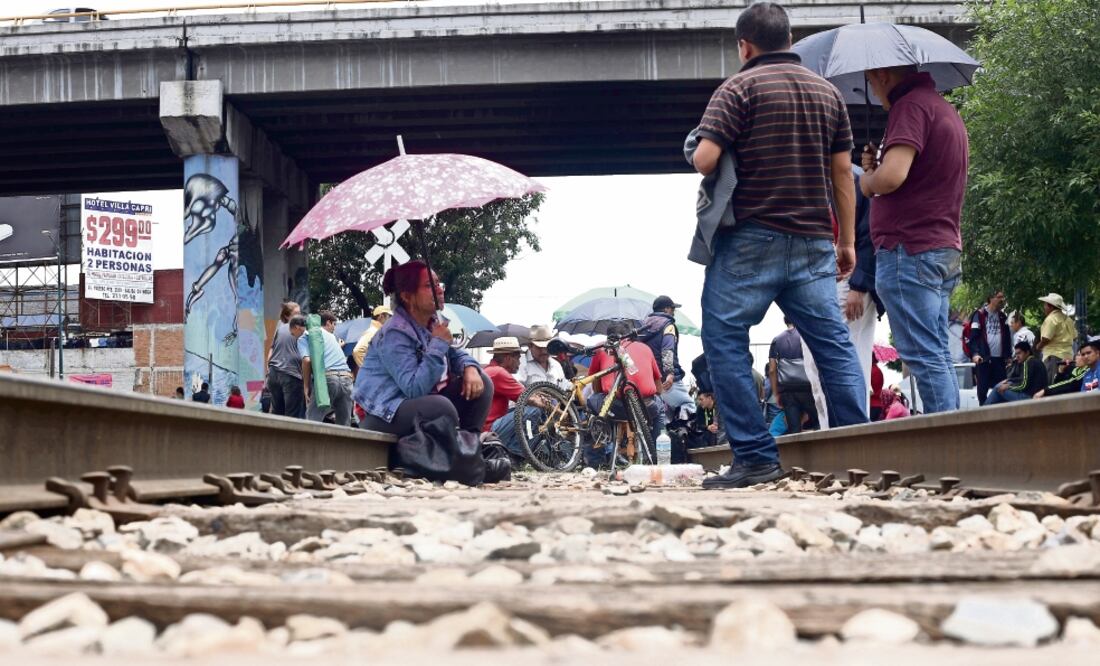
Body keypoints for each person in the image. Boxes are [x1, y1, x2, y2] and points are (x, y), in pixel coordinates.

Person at [692, 2, 866, 489]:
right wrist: (847, 241)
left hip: (751, 240)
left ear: (744, 46)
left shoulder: (738, 88)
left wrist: (706, 141)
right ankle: (860, 450)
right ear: (790, 39)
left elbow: (705, 159)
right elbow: (842, 174)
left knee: (724, 339)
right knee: (833, 345)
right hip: (814, 241)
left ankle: (754, 457)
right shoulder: (827, 93)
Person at [860, 52, 969, 415]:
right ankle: (953, 431)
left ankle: (946, 438)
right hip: (939, 246)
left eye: (871, 81)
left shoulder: (909, 107)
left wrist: (868, 181)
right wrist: (877, 168)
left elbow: (892, 176)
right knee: (935, 351)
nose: (873, 90)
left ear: (883, 74)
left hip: (909, 247)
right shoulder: (942, 109)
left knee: (922, 353)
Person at [354, 260, 492, 437]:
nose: (439, 290)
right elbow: (414, 389)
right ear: (407, 296)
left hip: (419, 402)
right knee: (441, 408)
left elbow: (455, 354)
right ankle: (457, 447)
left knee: (483, 382)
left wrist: (470, 368)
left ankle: (469, 444)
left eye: (438, 284)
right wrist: (438, 343)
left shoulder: (432, 323)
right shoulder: (394, 333)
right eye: (429, 286)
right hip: (384, 412)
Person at [803, 166, 882, 429]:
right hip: (814, 285)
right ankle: (831, 432)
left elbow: (870, 234)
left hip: (848, 281)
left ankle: (853, 432)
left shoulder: (854, 178)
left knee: (851, 360)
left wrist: (860, 284)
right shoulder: (806, 174)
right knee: (815, 367)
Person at [585, 321, 664, 466]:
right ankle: (659, 455)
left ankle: (596, 461)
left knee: (592, 403)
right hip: (646, 407)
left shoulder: (602, 349)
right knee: (660, 407)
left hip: (615, 408)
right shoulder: (645, 348)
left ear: (609, 337)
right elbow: (659, 388)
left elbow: (596, 386)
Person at [640, 295, 696, 424]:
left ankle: (668, 434)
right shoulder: (668, 326)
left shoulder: (643, 327)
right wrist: (670, 374)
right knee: (688, 405)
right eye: (672, 309)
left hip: (648, 378)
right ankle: (685, 434)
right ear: (666, 309)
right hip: (666, 379)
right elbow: (667, 351)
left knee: (665, 414)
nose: (674, 312)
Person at [298, 311, 354, 426]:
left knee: (312, 421)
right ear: (327, 323)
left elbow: (307, 360)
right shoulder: (332, 337)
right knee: (344, 425)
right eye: (334, 324)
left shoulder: (305, 336)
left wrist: (306, 386)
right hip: (347, 379)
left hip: (328, 379)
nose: (335, 328)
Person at [482, 337, 532, 460]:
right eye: (518, 358)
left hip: (484, 428)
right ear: (508, 358)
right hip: (489, 429)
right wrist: (555, 409)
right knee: (534, 410)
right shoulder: (499, 373)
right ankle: (515, 455)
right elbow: (529, 397)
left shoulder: (489, 370)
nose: (519, 363)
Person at [769, 319, 817, 434]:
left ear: (785, 321)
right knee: (818, 424)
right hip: (808, 388)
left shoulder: (776, 340)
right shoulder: (806, 336)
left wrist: (776, 393)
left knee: (794, 430)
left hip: (787, 391)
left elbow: (772, 369)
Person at [967, 290, 1011, 405]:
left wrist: (1008, 356)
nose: (1002, 300)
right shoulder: (979, 315)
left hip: (999, 360)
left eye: (1003, 297)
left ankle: (1001, 412)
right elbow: (973, 337)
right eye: (999, 297)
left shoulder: (1002, 316)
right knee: (982, 390)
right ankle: (983, 412)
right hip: (984, 359)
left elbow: (1007, 338)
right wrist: (975, 354)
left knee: (1002, 388)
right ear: (990, 298)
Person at [267, 304, 307, 418]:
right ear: (287, 316)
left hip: (274, 373)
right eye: (296, 314)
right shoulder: (301, 329)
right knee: (292, 417)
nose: (299, 316)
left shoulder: (280, 328)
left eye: (300, 313)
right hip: (291, 374)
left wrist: (268, 368)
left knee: (277, 414)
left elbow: (271, 350)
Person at [1034, 293, 1076, 382]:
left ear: (1050, 306)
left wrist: (1038, 346)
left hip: (1054, 357)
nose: (1044, 307)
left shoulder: (1051, 319)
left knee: (1052, 383)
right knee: (1064, 383)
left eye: (1045, 305)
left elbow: (1046, 338)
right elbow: (1075, 337)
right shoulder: (1068, 319)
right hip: (1068, 356)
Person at [516, 325, 569, 390]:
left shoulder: (556, 365)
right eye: (539, 348)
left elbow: (564, 387)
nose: (544, 351)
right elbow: (517, 390)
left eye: (546, 347)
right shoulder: (520, 364)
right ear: (530, 346)